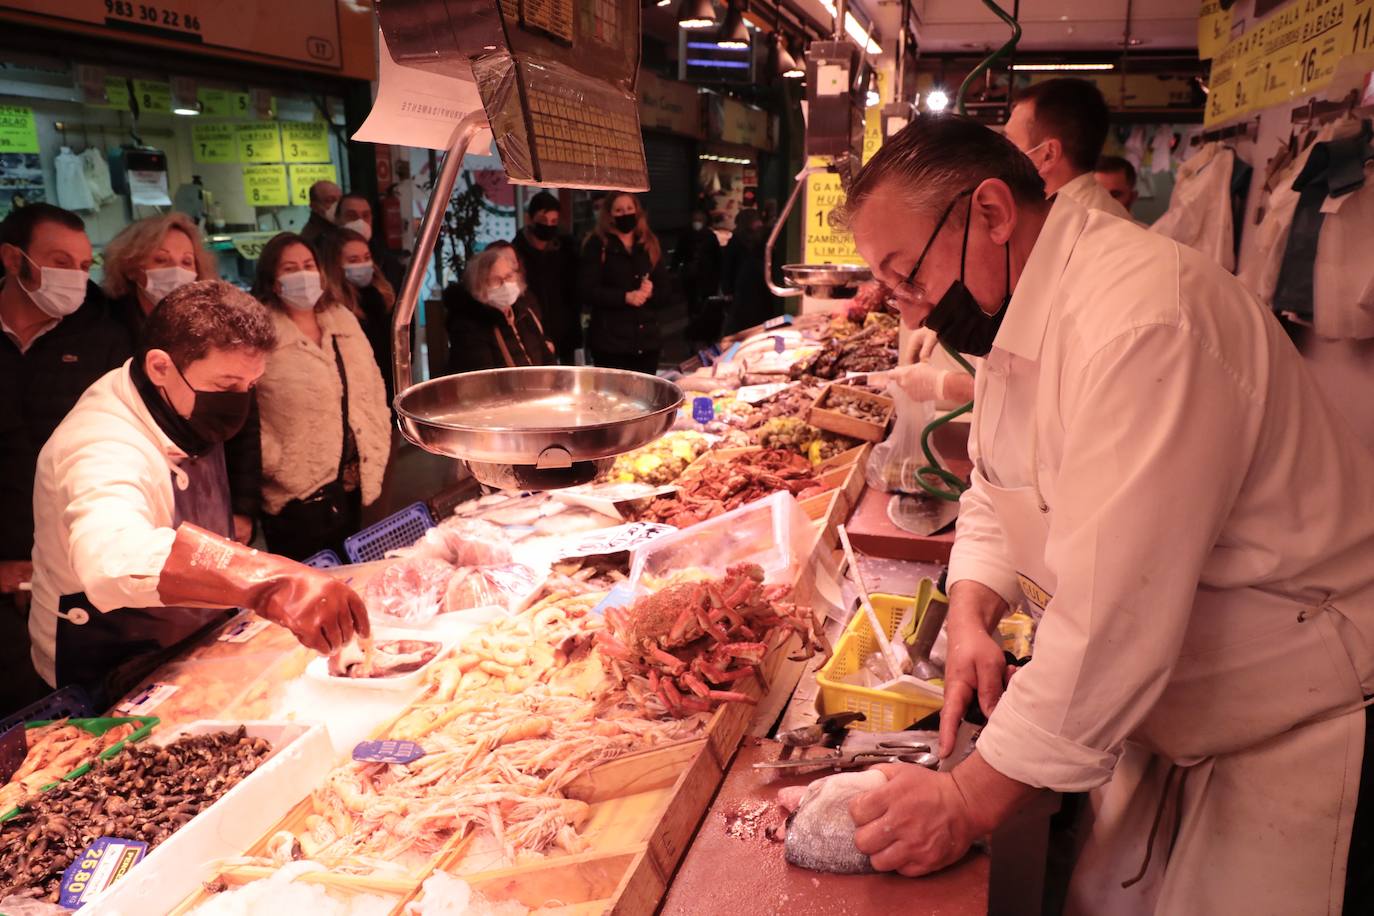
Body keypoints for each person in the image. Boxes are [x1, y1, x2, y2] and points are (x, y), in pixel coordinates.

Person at [840, 113, 1374, 913]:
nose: (912, 314)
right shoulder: (1026, 313)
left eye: (908, 275)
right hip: (1175, 719)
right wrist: (973, 610)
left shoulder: (1143, 320)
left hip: (1299, 731)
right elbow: (994, 481)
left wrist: (963, 802)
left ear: (990, 213)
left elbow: (1113, 617)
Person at [27, 280, 369, 706]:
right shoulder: (101, 442)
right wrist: (270, 581)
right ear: (160, 367)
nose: (239, 399)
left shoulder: (182, 397)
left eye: (250, 385)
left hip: (192, 634)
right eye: (227, 385)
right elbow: (112, 559)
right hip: (109, 664)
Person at [0, 203, 132, 712]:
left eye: (83, 265)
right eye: (60, 261)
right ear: (14, 259)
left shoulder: (103, 338)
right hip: (4, 558)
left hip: (73, 561)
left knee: (72, 702)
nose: (76, 278)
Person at [99, 214, 262, 546]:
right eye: (161, 260)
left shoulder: (220, 330)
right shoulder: (104, 335)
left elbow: (245, 426)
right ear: (132, 267)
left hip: (210, 493)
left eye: (186, 261)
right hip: (142, 504)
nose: (176, 269)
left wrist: (243, 508)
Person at [250, 234, 390, 562]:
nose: (302, 274)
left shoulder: (343, 320)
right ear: (273, 280)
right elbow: (246, 415)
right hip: (295, 497)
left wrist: (378, 437)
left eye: (308, 265)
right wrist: (277, 463)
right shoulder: (258, 334)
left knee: (353, 580)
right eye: (290, 268)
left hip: (355, 483)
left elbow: (373, 386)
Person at [1003, 78, 1132, 220]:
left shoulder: (1085, 222)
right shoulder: (1058, 210)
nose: (1003, 153)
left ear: (1049, 155)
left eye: (1011, 143)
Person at [578, 192, 669, 374]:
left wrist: (651, 292)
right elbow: (586, 291)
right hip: (610, 345)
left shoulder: (648, 244)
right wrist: (625, 297)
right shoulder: (596, 245)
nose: (625, 214)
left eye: (629, 208)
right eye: (618, 210)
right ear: (609, 215)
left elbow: (666, 291)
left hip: (647, 342)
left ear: (637, 211)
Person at [445, 241, 556, 372]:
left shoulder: (524, 313)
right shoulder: (469, 328)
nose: (505, 284)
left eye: (509, 276)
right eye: (496, 280)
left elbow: (548, 360)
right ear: (480, 286)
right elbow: (483, 381)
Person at [315, 226, 396, 403]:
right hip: (356, 395)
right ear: (335, 266)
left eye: (366, 258)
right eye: (353, 259)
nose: (362, 264)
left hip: (389, 388)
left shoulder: (384, 296)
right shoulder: (332, 309)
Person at [511, 191, 581, 364]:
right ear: (530, 219)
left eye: (554, 221)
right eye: (543, 221)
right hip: (534, 332)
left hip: (565, 333)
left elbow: (575, 289)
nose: (548, 226)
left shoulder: (566, 249)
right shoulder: (516, 253)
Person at [720, 208, 777, 333]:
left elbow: (727, 267)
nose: (759, 223)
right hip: (752, 286)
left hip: (746, 287)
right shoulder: (755, 239)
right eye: (756, 220)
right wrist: (728, 289)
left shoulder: (740, 239)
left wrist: (728, 289)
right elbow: (728, 266)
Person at [336, 191, 406, 293]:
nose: (360, 221)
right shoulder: (323, 259)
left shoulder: (388, 264)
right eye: (351, 216)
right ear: (337, 219)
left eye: (366, 215)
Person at [673, 208, 722, 342]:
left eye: (699, 220)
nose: (697, 222)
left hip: (706, 278)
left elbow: (717, 258)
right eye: (695, 220)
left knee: (705, 307)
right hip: (692, 277)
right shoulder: (686, 235)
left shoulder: (710, 236)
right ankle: (695, 333)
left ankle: (703, 333)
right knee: (692, 305)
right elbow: (678, 254)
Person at [300, 180, 342, 244]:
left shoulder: (339, 227)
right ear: (314, 206)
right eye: (330, 200)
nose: (338, 204)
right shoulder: (314, 238)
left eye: (341, 199)